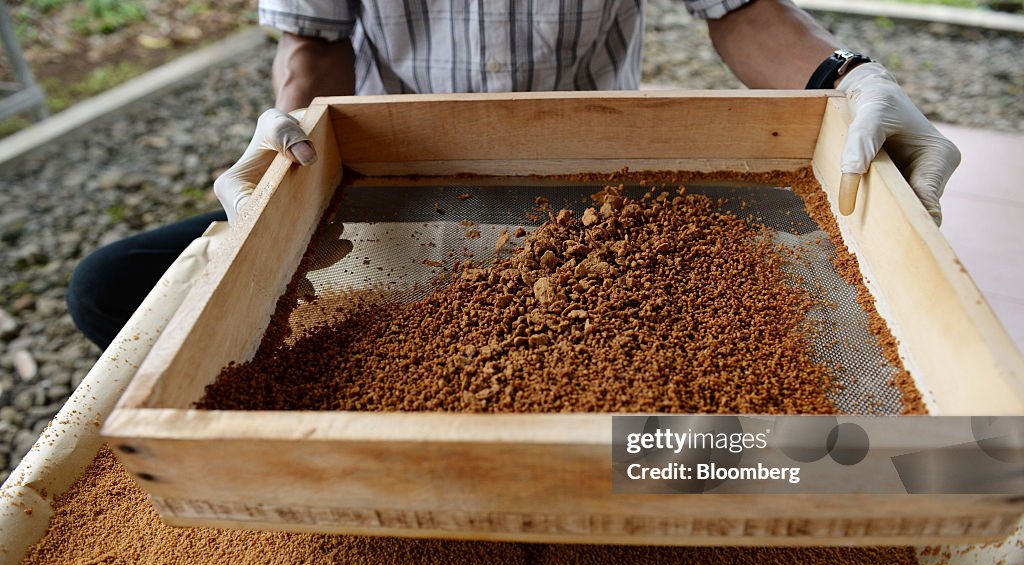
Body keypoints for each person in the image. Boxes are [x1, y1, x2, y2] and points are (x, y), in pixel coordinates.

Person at [66, 0, 960, 349]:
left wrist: (852, 80)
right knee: (109, 289)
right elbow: (314, 46)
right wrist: (290, 143)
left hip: (600, 194)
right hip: (391, 191)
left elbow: (745, 15)